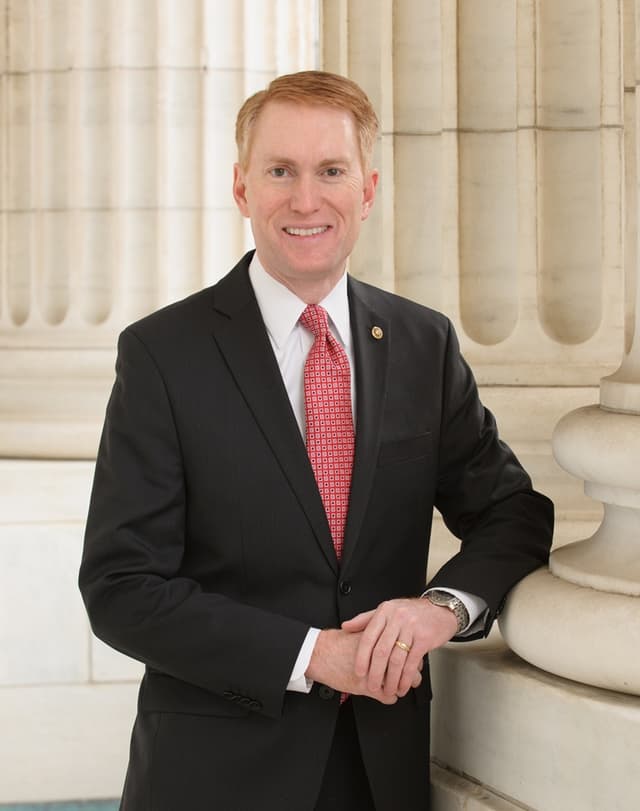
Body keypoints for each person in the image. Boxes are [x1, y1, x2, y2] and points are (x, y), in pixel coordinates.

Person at [79, 70, 553, 811]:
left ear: (366, 190)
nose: (306, 199)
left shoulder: (423, 344)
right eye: (280, 171)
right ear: (241, 187)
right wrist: (314, 654)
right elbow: (120, 587)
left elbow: (513, 511)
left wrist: (440, 607)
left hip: (381, 771)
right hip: (215, 776)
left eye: (330, 171)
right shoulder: (164, 354)